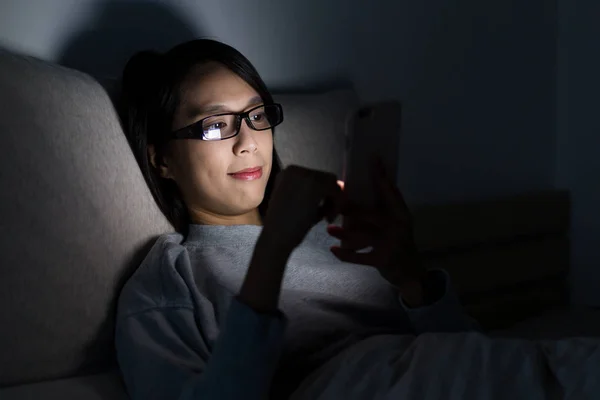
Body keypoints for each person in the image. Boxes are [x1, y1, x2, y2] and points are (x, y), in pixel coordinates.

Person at [115, 39, 477, 400]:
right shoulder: (173, 277)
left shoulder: (335, 227)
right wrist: (273, 248)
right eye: (215, 125)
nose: (249, 143)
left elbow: (466, 351)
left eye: (256, 117)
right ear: (161, 159)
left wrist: (412, 278)